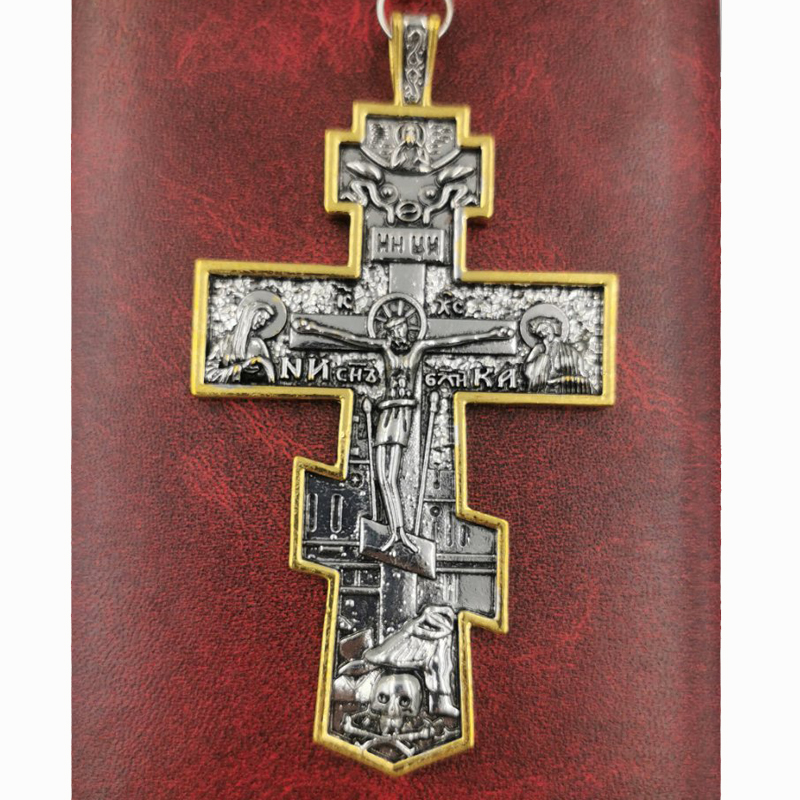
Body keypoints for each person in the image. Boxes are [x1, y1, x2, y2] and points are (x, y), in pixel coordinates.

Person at [293, 297, 514, 552]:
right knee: (382, 479)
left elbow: (451, 340)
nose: (396, 335)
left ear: (407, 330)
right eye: (392, 331)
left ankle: (400, 533)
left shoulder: (416, 351)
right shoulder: (387, 351)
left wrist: (490, 334)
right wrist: (315, 329)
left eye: (399, 329)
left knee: (392, 477)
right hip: (385, 414)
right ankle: (395, 531)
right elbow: (352, 339)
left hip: (401, 416)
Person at [206, 292, 278, 383]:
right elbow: (208, 373)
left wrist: (260, 361)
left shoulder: (259, 344)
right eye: (261, 317)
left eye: (265, 321)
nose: (263, 323)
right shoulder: (224, 343)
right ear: (250, 314)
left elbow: (271, 376)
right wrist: (240, 368)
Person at [522, 304, 592, 394]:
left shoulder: (571, 352)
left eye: (545, 329)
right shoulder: (539, 349)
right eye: (540, 333)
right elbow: (528, 371)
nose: (544, 333)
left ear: (553, 328)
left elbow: (582, 374)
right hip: (544, 390)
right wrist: (546, 353)